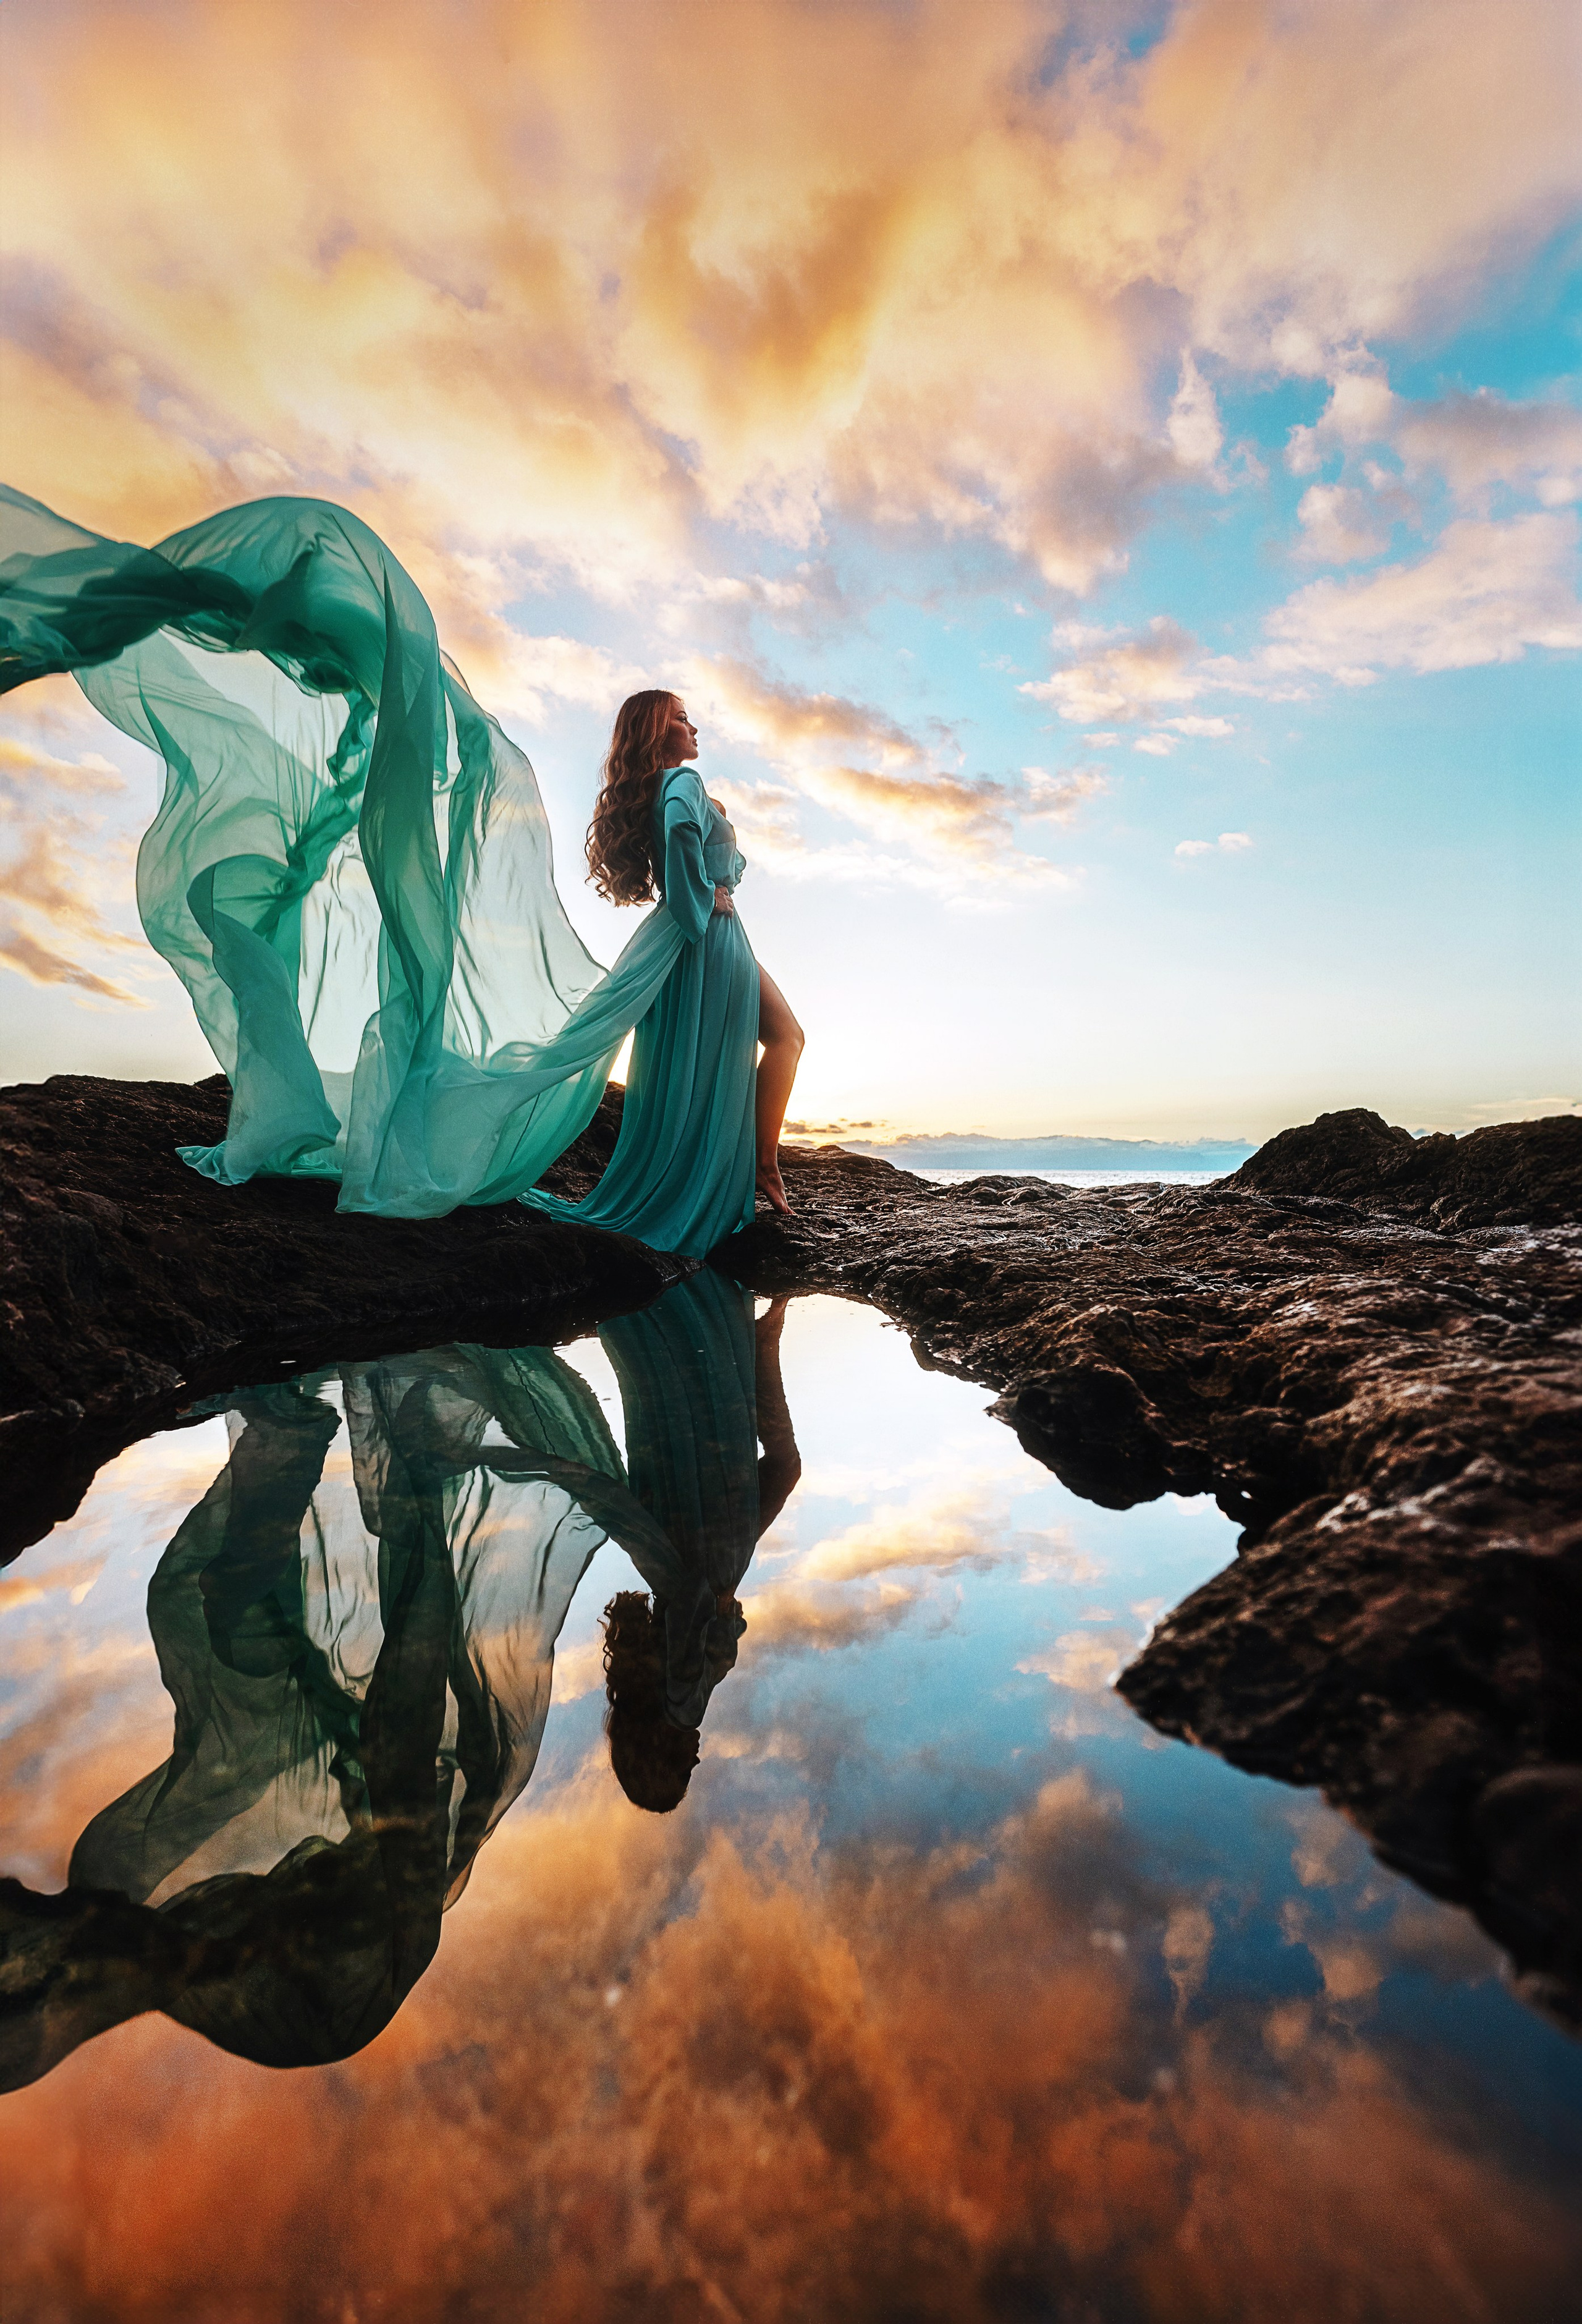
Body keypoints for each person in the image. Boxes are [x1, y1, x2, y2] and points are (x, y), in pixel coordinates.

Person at [0, 486, 802, 1254]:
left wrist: (695, 907)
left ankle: (726, 1175)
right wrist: (708, 908)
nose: (695, 726)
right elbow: (682, 851)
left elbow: (666, 847)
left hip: (656, 919)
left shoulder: (646, 781)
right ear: (661, 730)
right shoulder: (682, 782)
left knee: (714, 1049)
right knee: (774, 1037)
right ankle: (749, 1170)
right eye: (683, 717)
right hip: (694, 927)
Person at [595, 1278, 802, 1813]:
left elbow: (698, 1609)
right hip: (685, 1550)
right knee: (697, 1437)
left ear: (661, 1756)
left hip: (716, 1556)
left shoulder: (684, 1705)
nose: (697, 1761)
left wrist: (720, 1607)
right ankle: (755, 1348)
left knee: (764, 1458)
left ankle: (761, 1348)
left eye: (682, 1770)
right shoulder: (653, 1693)